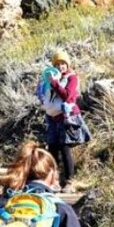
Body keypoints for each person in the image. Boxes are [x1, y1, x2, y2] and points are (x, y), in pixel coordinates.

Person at [41, 49, 80, 190]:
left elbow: (68, 96)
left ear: (67, 64)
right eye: (57, 64)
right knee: (52, 149)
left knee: (64, 148)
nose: (61, 66)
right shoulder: (51, 79)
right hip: (52, 117)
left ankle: (70, 181)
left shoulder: (72, 78)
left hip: (66, 117)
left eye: (63, 63)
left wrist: (55, 83)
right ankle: (54, 181)